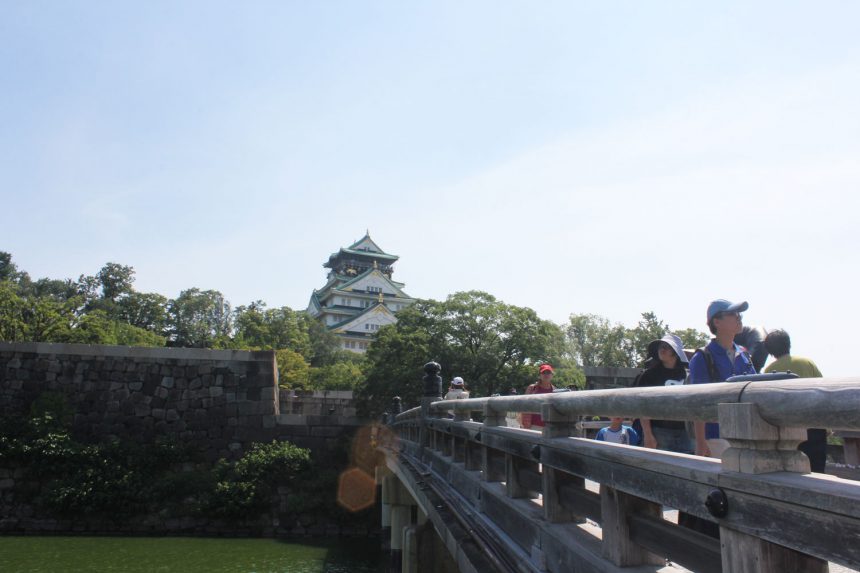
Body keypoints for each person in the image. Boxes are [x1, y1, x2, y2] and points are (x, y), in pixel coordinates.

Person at [689, 299, 756, 458]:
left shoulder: (744, 354)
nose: (739, 317)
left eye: (739, 313)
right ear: (716, 322)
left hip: (744, 433)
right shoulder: (702, 357)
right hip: (714, 436)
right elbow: (698, 402)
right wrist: (700, 441)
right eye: (733, 313)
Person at [764, 329, 827, 472]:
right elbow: (824, 393)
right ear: (788, 344)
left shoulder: (768, 370)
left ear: (770, 351)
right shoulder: (807, 362)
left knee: (792, 472)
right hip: (814, 426)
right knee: (817, 470)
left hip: (787, 431)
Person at [634, 334, 692, 453]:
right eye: (660, 346)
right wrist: (648, 435)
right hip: (659, 431)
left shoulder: (687, 375)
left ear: (676, 352)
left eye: (667, 346)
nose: (662, 349)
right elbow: (642, 407)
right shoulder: (649, 375)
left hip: (685, 432)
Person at [521, 364, 555, 430]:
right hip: (532, 425)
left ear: (552, 375)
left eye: (548, 372)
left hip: (549, 427)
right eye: (543, 372)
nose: (546, 374)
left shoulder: (555, 391)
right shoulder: (532, 388)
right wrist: (523, 424)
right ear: (540, 375)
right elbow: (523, 406)